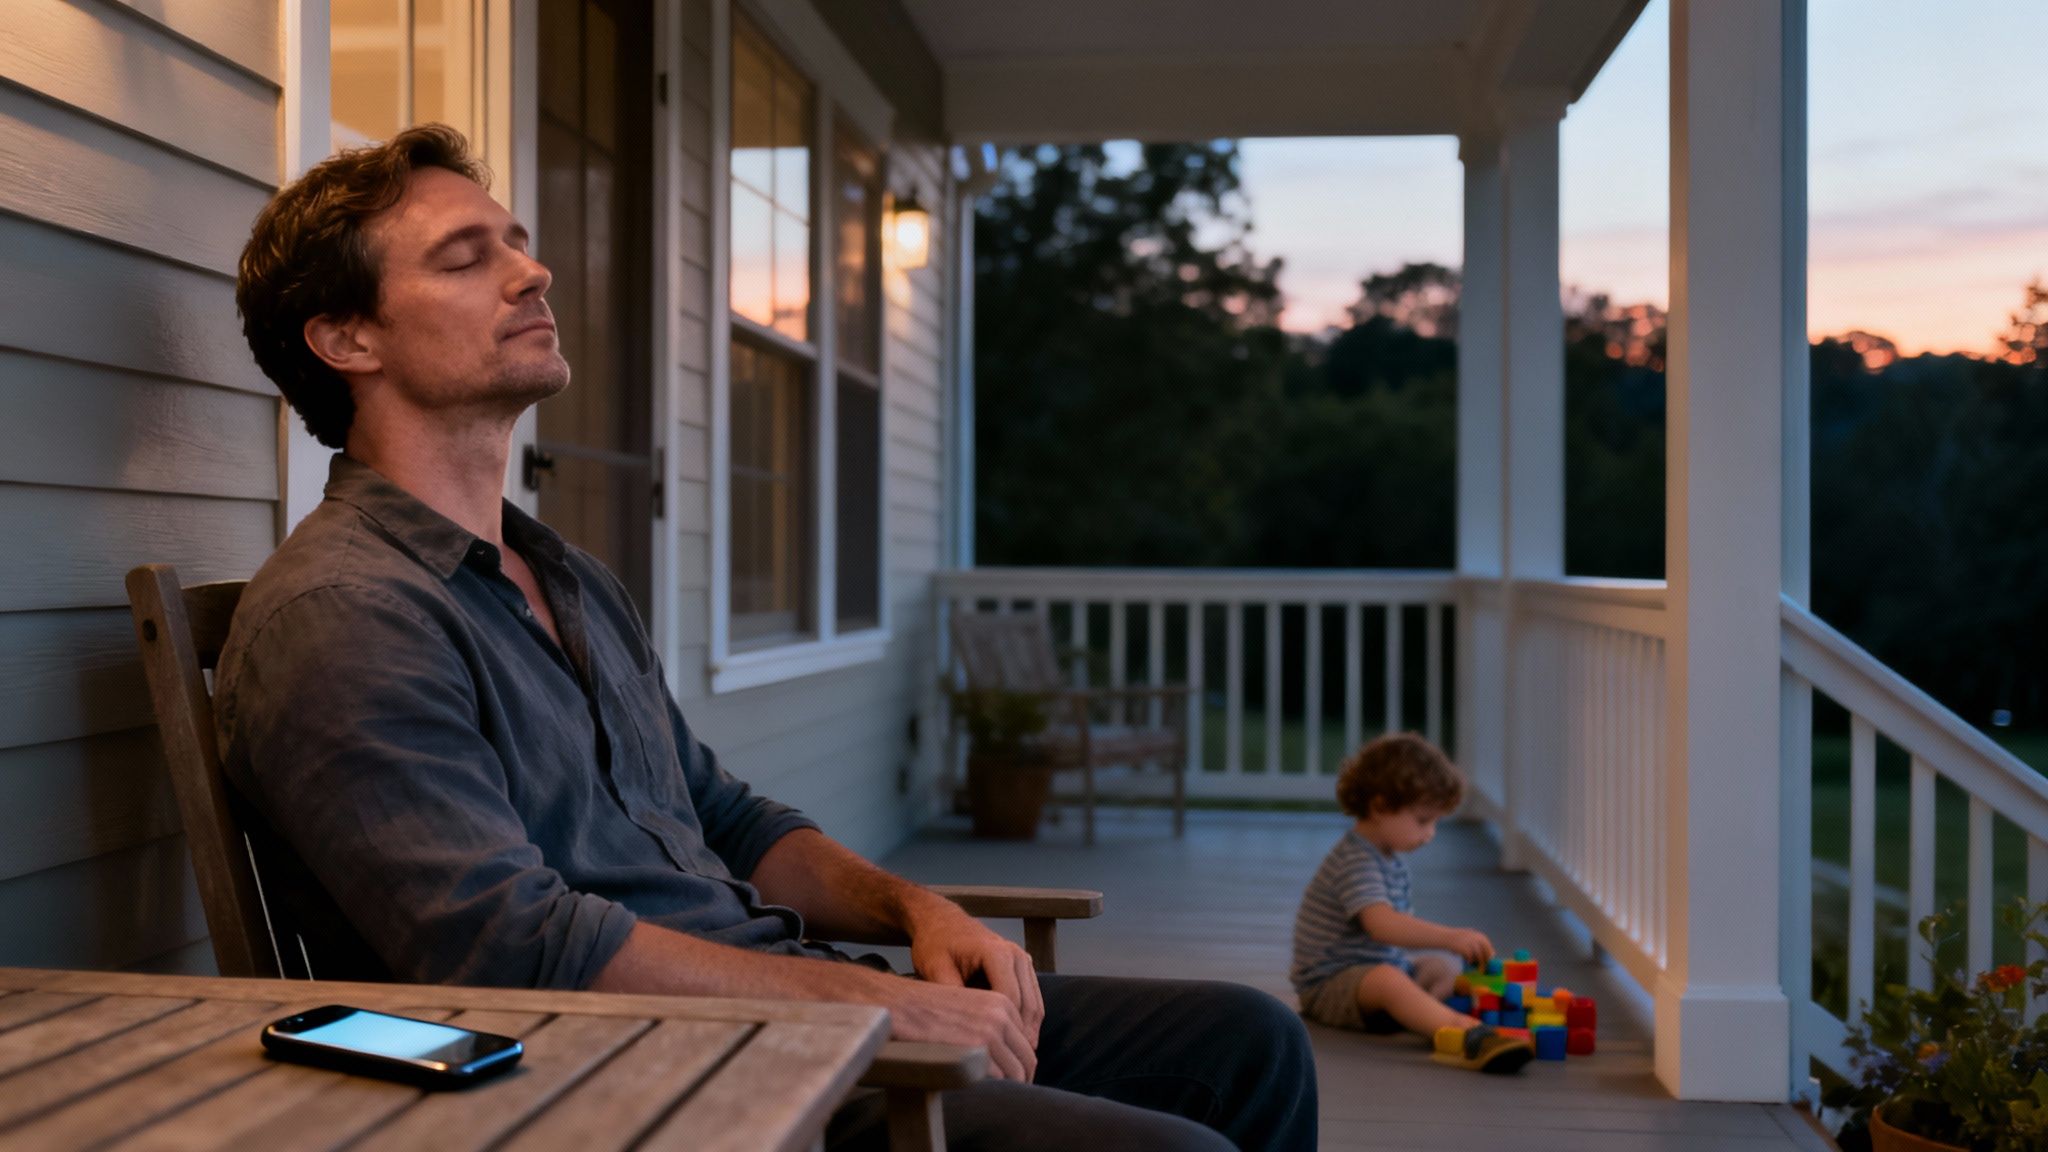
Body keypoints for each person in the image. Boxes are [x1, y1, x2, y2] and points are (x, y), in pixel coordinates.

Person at [217, 124, 1315, 1151]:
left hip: (780, 1009)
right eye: (465, 258)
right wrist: (873, 1001)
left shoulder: (563, 575)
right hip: (630, 1080)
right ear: (345, 337)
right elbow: (504, 945)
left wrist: (916, 910)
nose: (531, 271)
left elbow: (728, 820)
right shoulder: (344, 614)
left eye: (518, 241)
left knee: (1244, 1042)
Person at [1288, 732, 1533, 1074]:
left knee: (1439, 966)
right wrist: (1450, 936)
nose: (1430, 832)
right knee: (1390, 979)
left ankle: (1426, 1011)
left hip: (1372, 972)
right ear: (1379, 806)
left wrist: (1445, 949)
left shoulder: (1387, 857)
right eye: (1422, 820)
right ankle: (1464, 1033)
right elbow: (1382, 924)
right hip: (1330, 986)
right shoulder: (1355, 860)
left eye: (1434, 821)